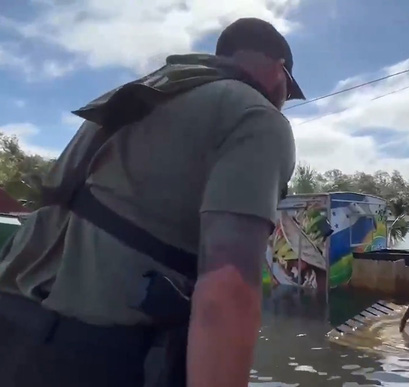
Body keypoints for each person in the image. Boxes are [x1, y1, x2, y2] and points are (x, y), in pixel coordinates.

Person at [0, 18, 303, 387]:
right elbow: (230, 291)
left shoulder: (145, 94)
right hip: (94, 355)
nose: (284, 101)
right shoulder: (257, 117)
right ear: (279, 71)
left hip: (12, 324)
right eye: (289, 90)